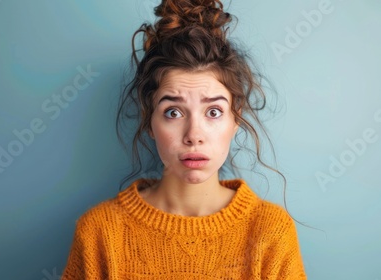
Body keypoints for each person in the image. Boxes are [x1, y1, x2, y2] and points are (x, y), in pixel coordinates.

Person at [62, 0, 307, 279]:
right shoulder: (100, 233)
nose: (194, 136)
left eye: (213, 112)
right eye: (173, 112)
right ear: (149, 121)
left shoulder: (270, 232)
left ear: (235, 119)